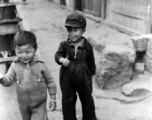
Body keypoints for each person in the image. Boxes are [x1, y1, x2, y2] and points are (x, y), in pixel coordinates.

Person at [0, 31, 57, 120]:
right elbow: (9, 79)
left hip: (39, 103)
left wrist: (53, 99)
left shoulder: (41, 65)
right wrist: (2, 78)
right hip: (23, 105)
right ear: (15, 49)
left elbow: (50, 82)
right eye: (19, 52)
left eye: (28, 52)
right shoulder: (15, 65)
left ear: (35, 49)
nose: (24, 56)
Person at [55, 12, 97, 120]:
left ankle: (89, 118)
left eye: (75, 30)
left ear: (83, 30)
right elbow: (57, 55)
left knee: (87, 99)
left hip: (84, 77)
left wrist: (91, 77)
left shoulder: (87, 46)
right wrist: (61, 59)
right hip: (67, 77)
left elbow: (91, 62)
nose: (72, 33)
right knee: (68, 100)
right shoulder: (64, 45)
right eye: (69, 30)